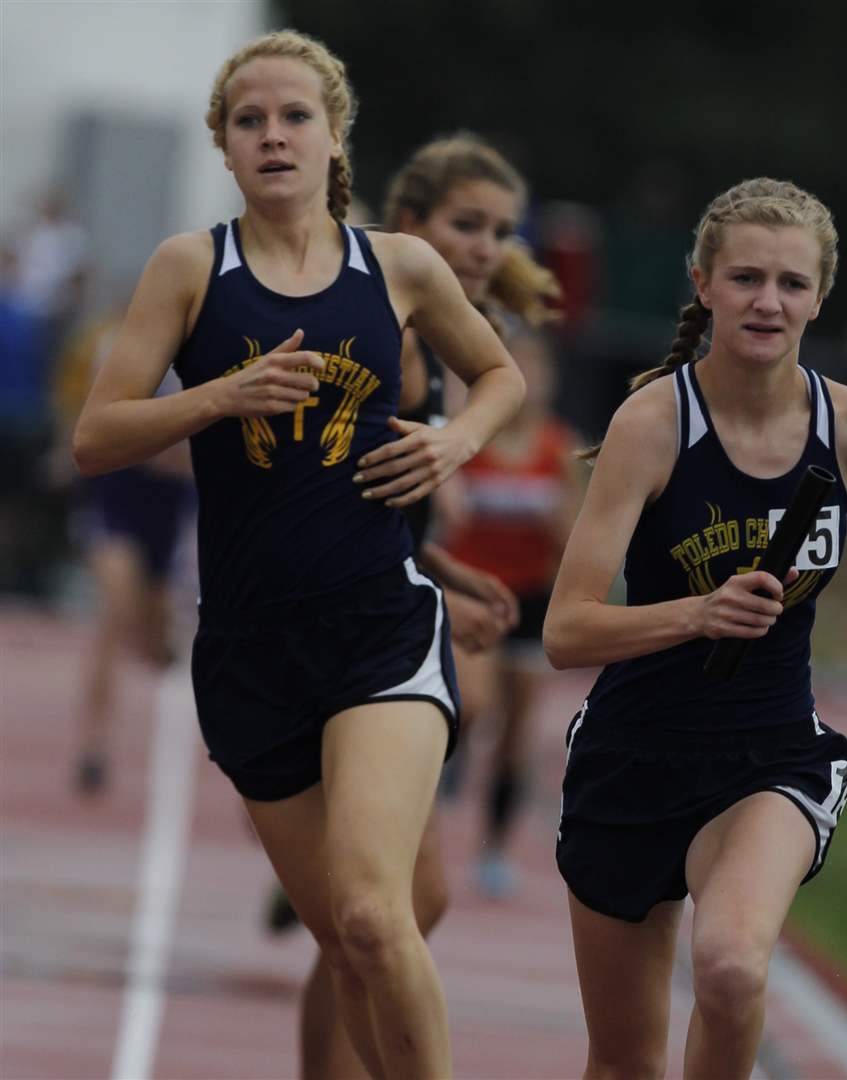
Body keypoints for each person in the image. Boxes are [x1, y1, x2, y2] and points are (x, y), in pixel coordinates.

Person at [72, 30, 525, 1080]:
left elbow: (496, 374)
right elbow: (98, 436)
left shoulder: (398, 267)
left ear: (334, 137)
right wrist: (224, 395)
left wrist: (456, 439)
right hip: (246, 652)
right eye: (249, 121)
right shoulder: (190, 268)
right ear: (224, 148)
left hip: (378, 632)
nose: (273, 136)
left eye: (294, 117)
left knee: (377, 913)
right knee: (342, 941)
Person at [542, 177, 847, 1079]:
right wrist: (698, 612)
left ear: (820, 297)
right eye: (744, 278)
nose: (767, 301)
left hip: (768, 755)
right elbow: (566, 631)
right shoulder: (653, 427)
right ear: (703, 284)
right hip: (632, 759)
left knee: (732, 968)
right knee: (623, 1063)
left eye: (790, 283)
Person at [288, 130, 562, 1080]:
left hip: (385, 614)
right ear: (410, 226)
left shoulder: (444, 335)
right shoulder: (390, 334)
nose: (487, 246)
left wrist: (445, 569)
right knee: (378, 913)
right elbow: (329, 492)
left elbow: (378, 502)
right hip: (320, 636)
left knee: (391, 912)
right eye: (467, 225)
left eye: (500, 230)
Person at [441, 326, 582, 898]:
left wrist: (557, 528)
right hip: (471, 593)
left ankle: (494, 850)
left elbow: (578, 540)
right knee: (474, 703)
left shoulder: (559, 449)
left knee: (518, 735)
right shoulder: (472, 440)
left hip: (529, 600)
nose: (528, 384)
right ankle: (444, 757)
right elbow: (442, 519)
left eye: (537, 371)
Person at [52, 303, 195, 794]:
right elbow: (92, 428)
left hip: (167, 510)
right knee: (114, 613)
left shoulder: (199, 358)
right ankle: (94, 744)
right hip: (115, 501)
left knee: (155, 646)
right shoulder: (112, 345)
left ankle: (165, 641)